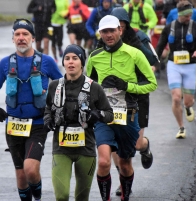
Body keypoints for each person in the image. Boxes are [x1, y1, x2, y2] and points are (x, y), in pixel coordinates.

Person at [0, 19, 63, 201]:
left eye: (25, 34)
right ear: (12, 38)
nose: (21, 38)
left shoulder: (46, 62)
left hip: (38, 124)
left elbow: (63, 85)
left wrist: (55, 108)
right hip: (13, 125)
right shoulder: (5, 63)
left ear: (33, 38)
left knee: (30, 170)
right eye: (17, 34)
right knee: (21, 176)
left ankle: (37, 192)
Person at [87, 15, 157, 201]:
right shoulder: (94, 57)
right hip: (104, 117)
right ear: (100, 34)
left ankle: (125, 197)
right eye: (105, 31)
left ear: (120, 30)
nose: (109, 35)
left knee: (125, 165)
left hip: (128, 115)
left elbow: (151, 84)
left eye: (112, 30)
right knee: (103, 162)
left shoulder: (134, 54)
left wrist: (126, 86)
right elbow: (87, 86)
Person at [43, 44, 114, 201]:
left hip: (86, 148)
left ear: (82, 62)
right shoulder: (54, 86)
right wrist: (48, 120)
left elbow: (110, 115)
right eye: (67, 58)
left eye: (75, 58)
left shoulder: (95, 88)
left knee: (82, 197)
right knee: (61, 196)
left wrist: (97, 115)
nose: (71, 62)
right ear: (63, 62)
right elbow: (48, 109)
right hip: (61, 148)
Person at [108, 6, 158, 196]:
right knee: (113, 143)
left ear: (126, 26)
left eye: (121, 27)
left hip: (138, 97)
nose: (116, 31)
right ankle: (123, 178)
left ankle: (145, 148)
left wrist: (138, 46)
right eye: (114, 27)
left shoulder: (139, 37)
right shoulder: (104, 40)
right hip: (114, 98)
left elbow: (154, 61)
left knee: (136, 144)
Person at [155, 1, 196, 139]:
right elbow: (160, 47)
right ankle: (181, 127)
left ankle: (187, 107)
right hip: (173, 65)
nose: (189, 18)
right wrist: (154, 64)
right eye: (187, 16)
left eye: (191, 15)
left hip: (190, 66)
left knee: (188, 101)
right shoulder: (169, 27)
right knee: (175, 97)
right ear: (180, 15)